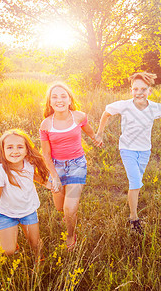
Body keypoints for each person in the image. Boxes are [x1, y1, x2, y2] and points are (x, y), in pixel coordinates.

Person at [95, 72, 161, 234]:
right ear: (131, 91)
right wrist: (99, 133)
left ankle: (131, 204)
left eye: (143, 89)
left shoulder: (154, 108)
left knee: (136, 182)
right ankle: (134, 218)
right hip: (127, 149)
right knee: (135, 182)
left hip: (145, 150)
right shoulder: (125, 105)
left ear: (150, 91)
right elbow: (106, 113)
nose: (139, 92)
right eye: (135, 89)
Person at [40, 82, 101, 250]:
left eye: (63, 96)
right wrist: (54, 177)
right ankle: (67, 214)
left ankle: (70, 234)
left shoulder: (79, 117)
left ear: (69, 100)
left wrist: (96, 138)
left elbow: (88, 131)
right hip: (56, 167)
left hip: (77, 164)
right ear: (50, 102)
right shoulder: (45, 125)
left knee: (70, 207)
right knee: (59, 207)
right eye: (55, 97)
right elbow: (45, 154)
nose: (59, 100)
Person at [0, 129, 50, 261]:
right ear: (3, 151)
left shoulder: (28, 164)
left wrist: (48, 184)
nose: (15, 151)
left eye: (20, 147)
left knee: (36, 245)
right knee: (8, 251)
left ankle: (40, 263)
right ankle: (13, 244)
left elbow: (34, 176)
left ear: (26, 150)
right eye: (10, 147)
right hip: (7, 214)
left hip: (28, 211)